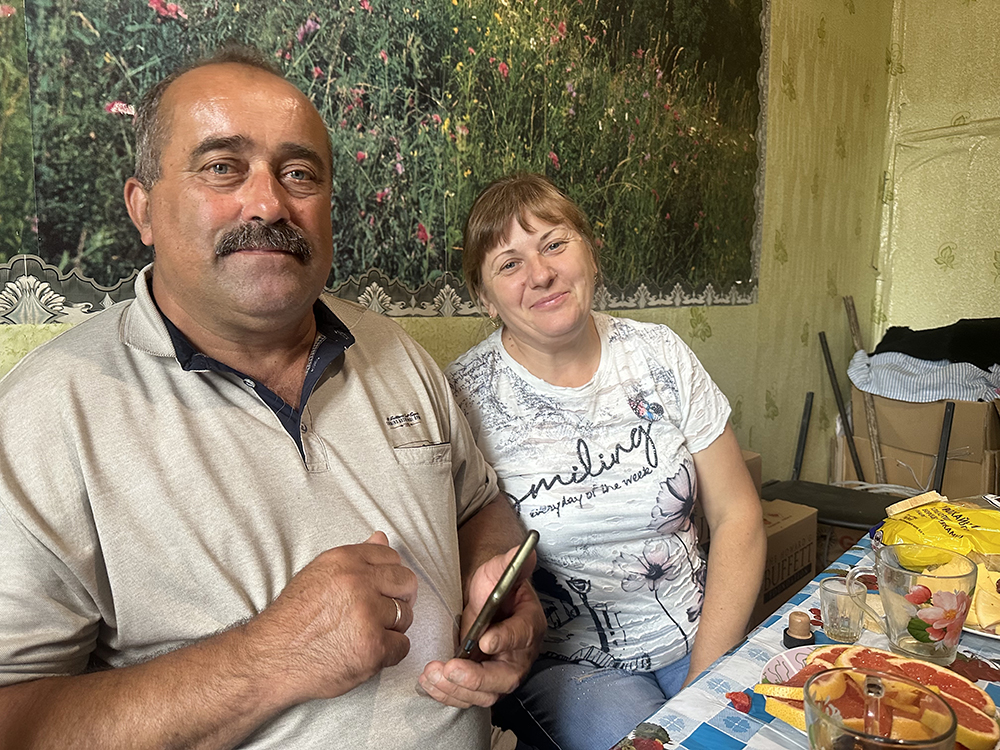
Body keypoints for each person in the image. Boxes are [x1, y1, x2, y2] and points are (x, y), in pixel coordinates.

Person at [0, 46, 545, 749]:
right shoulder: (45, 414)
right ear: (144, 208)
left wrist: (500, 595)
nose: (268, 203)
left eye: (299, 174)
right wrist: (273, 658)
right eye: (223, 167)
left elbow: (481, 509)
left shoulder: (396, 352)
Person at [445, 173, 767, 750]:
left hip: (702, 635)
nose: (540, 273)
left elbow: (738, 515)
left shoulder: (660, 355)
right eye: (509, 264)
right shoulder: (463, 399)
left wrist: (705, 681)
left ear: (589, 251)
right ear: (484, 297)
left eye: (554, 244)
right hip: (573, 668)